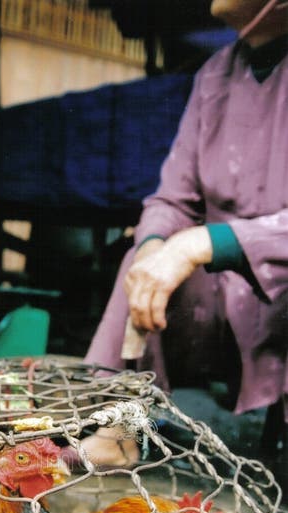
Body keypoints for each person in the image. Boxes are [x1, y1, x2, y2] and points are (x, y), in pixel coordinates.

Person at [80, 0, 288, 477]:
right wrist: (157, 245)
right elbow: (173, 198)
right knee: (142, 260)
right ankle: (118, 431)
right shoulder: (215, 74)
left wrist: (199, 244)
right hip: (227, 293)